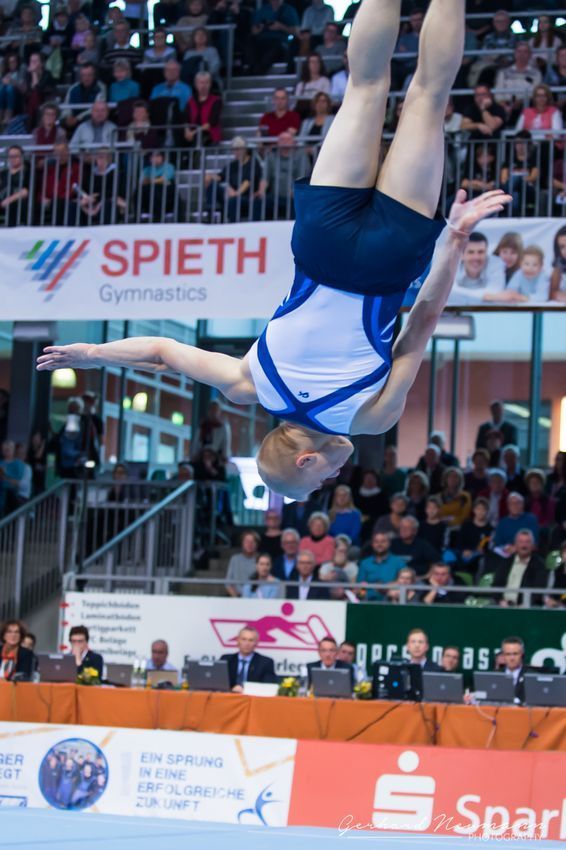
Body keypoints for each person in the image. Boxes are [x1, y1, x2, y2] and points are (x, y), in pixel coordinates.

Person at [37, 0, 511, 502]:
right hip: (321, 247)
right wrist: (91, 355)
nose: (333, 477)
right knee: (364, 86)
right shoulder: (249, 385)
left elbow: (422, 324)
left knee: (429, 97)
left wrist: (454, 239)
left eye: (321, 480)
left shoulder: (371, 418)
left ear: (306, 460)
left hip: (388, 262)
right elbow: (161, 352)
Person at [449, 232, 524, 306]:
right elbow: (447, 292)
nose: (476, 257)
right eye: (471, 252)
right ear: (461, 255)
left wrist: (458, 294)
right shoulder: (451, 263)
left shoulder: (497, 263)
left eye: (481, 252)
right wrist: (487, 297)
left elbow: (495, 291)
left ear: (486, 253)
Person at [493, 529, 547, 607]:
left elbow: (538, 590)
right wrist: (500, 600)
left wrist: (525, 604)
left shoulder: (539, 565)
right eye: (521, 542)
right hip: (503, 606)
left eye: (527, 542)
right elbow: (497, 584)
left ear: (532, 545)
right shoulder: (505, 562)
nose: (524, 545)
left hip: (525, 607)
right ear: (515, 544)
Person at [247, 0, 299, 76]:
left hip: (281, 42)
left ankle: (256, 72)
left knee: (277, 47)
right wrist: (262, 27)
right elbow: (253, 31)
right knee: (249, 42)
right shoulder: (262, 10)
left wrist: (281, 27)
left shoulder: (289, 10)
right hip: (263, 41)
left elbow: (296, 32)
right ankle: (255, 69)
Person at [220, 626, 278, 691]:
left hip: (253, 696)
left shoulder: (265, 663)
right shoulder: (226, 659)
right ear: (238, 641)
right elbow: (218, 683)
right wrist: (232, 689)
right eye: (244, 639)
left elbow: (268, 686)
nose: (247, 643)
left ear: (256, 643)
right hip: (228, 695)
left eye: (251, 640)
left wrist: (245, 689)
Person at [357, 531, 405, 600]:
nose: (379, 544)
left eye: (383, 541)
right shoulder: (365, 563)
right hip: (368, 602)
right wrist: (361, 597)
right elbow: (361, 585)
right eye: (376, 542)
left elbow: (406, 581)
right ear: (372, 544)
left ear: (389, 544)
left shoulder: (398, 562)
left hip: (392, 601)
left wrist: (387, 586)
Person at [455, 496, 492, 573]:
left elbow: (490, 547)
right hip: (464, 554)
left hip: (480, 557)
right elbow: (459, 542)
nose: (480, 512)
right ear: (474, 510)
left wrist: (483, 551)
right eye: (478, 509)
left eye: (483, 509)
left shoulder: (489, 529)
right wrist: (464, 551)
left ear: (487, 511)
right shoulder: (466, 525)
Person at [185, 70, 222, 147]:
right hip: (192, 136)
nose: (204, 86)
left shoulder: (216, 100)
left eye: (207, 82)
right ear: (196, 84)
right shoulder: (190, 101)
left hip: (210, 137)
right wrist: (187, 131)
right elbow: (186, 119)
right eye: (201, 83)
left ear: (210, 84)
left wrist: (194, 132)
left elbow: (212, 122)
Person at [0, 144, 29, 226]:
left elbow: (25, 191)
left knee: (13, 205)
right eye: (11, 156)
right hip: (3, 199)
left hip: (18, 201)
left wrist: (9, 200)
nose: (13, 159)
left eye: (16, 156)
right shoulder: (3, 173)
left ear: (22, 157)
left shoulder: (27, 171)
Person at [225, 530, 259, 597]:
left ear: (257, 544)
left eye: (252, 541)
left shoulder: (261, 560)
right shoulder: (235, 559)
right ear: (242, 543)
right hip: (237, 597)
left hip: (256, 598)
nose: (249, 544)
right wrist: (237, 599)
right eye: (247, 541)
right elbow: (228, 583)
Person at [498, 635, 529, 703]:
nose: (512, 658)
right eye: (508, 654)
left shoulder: (530, 676)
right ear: (503, 655)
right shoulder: (496, 675)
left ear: (522, 654)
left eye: (515, 654)